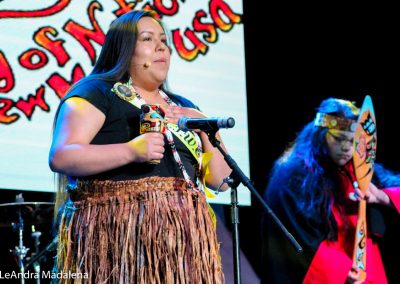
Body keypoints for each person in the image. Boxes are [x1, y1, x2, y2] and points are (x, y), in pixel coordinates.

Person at [49, 9, 232, 283]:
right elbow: (62, 156)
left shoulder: (184, 105)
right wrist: (131, 151)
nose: (161, 46)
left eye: (163, 40)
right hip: (120, 238)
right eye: (147, 39)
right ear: (123, 50)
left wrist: (201, 123)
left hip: (180, 246)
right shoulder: (97, 92)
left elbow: (221, 180)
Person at [261, 98, 400, 283]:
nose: (346, 148)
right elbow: (296, 236)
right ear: (320, 135)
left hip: (365, 268)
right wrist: (343, 271)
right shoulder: (294, 175)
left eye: (352, 141)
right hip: (330, 272)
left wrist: (382, 197)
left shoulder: (360, 169)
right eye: (338, 139)